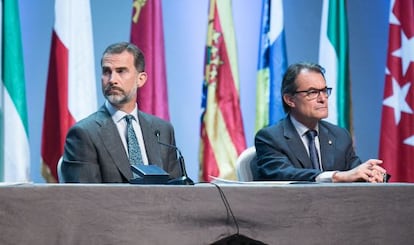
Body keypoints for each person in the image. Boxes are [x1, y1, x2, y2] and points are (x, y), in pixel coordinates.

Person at [61, 42, 180, 183]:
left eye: (121, 71)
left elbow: (177, 191)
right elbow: (86, 199)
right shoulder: (84, 133)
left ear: (140, 79)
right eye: (106, 72)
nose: (112, 80)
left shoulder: (162, 130)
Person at [252, 62, 387, 183]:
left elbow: (354, 171)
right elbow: (283, 174)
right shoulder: (270, 138)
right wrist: (335, 177)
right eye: (312, 92)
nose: (323, 98)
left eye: (324, 91)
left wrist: (371, 174)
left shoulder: (339, 135)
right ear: (290, 100)